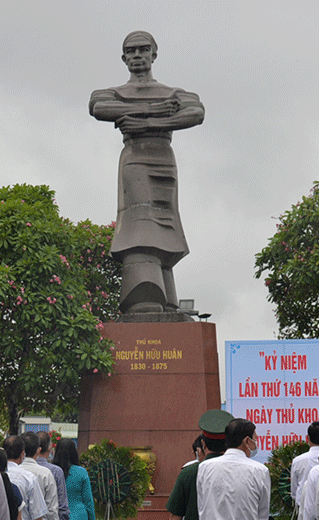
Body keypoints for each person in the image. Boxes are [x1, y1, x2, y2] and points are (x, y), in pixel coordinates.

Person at [89, 30, 205, 315]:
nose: (137, 55)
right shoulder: (115, 92)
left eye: (143, 49)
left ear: (154, 54)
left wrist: (145, 122)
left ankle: (166, 298)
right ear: (123, 58)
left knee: (165, 222)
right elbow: (99, 106)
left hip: (164, 158)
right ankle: (142, 294)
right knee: (141, 220)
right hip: (136, 159)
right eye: (131, 51)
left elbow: (196, 112)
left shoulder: (172, 92)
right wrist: (160, 111)